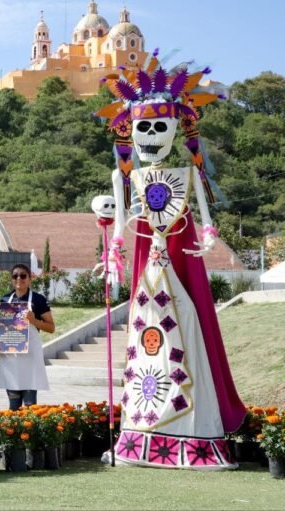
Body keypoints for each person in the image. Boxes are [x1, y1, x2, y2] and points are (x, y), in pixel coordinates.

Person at [96, 52, 245, 468]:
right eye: (144, 125)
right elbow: (123, 228)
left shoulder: (190, 174)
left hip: (177, 259)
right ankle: (143, 429)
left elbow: (207, 221)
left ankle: (187, 430)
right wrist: (113, 255)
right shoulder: (124, 176)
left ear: (177, 128)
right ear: (132, 128)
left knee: (189, 327)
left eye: (161, 125)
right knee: (147, 334)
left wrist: (210, 239)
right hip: (148, 265)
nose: (152, 133)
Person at [0, 263, 53, 410]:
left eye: (23, 275)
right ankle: (13, 433)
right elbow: (1, 328)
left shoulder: (38, 300)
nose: (19, 278)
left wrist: (34, 320)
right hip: (11, 358)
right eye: (15, 276)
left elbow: (51, 327)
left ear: (30, 278)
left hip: (30, 358)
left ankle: (28, 433)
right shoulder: (5, 300)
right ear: (12, 280)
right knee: (13, 405)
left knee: (30, 406)